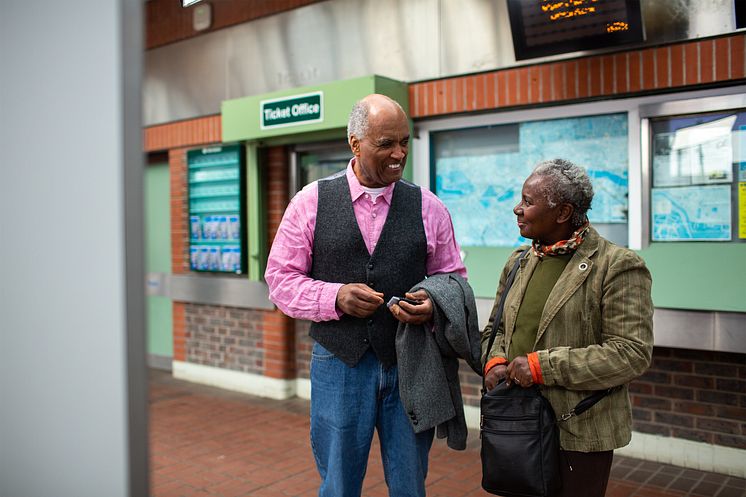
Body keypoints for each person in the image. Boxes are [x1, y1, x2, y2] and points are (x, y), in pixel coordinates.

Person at [265, 93, 467, 497]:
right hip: (339, 363)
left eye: (404, 142)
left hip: (409, 362)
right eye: (386, 144)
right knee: (339, 483)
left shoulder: (428, 206)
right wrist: (334, 297)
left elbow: (453, 278)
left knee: (410, 483)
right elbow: (280, 280)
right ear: (355, 144)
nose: (398, 154)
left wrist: (433, 302)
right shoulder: (310, 202)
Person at [481, 158, 653, 497]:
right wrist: (495, 361)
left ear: (563, 213)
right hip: (516, 424)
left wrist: (540, 366)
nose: (518, 209)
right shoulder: (518, 261)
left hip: (579, 433)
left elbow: (631, 354)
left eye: (528, 202)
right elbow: (496, 330)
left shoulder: (617, 266)